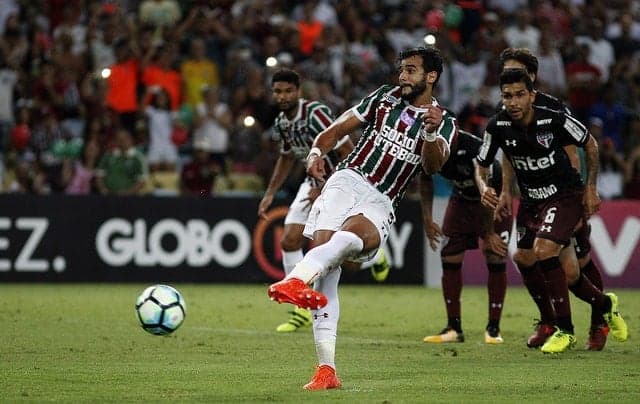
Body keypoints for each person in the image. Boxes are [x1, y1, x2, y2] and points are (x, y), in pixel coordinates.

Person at [266, 47, 456, 389]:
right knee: (328, 268)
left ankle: (295, 280)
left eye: (411, 71)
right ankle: (327, 370)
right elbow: (337, 129)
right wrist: (314, 153)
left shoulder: (445, 121)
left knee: (351, 244)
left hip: (382, 199)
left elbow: (432, 166)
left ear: (431, 76)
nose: (403, 76)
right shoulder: (384, 97)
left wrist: (429, 132)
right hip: (347, 179)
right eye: (401, 70)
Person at [475, 69, 628, 354]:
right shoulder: (497, 126)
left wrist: (591, 188)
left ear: (532, 94)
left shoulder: (553, 118)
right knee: (544, 263)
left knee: (544, 250)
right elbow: (481, 163)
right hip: (532, 201)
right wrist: (485, 186)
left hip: (565, 195)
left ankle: (564, 330)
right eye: (507, 96)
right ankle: (606, 305)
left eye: (520, 94)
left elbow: (590, 144)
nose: (513, 102)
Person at [258, 68, 390, 334]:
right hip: (313, 182)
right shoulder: (282, 122)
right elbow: (286, 157)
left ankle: (375, 258)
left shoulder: (316, 113)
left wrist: (333, 187)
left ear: (298, 92)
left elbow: (346, 150)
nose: (282, 96)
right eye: (277, 91)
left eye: (287, 91)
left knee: (347, 262)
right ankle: (301, 310)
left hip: (340, 183)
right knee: (289, 240)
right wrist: (271, 192)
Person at [421, 130, 511, 345]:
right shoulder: (429, 146)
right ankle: (454, 327)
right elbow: (425, 179)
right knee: (449, 256)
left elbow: (489, 191)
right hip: (461, 199)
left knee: (495, 255)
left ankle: (493, 328)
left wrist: (488, 233)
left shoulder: (475, 150)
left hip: (494, 200)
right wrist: (427, 219)